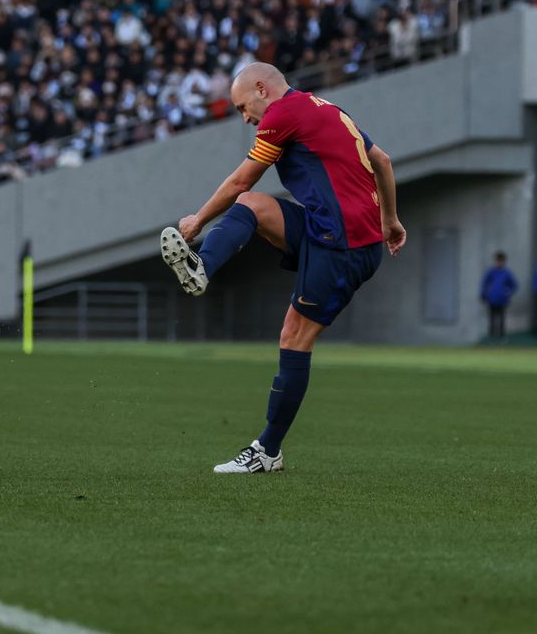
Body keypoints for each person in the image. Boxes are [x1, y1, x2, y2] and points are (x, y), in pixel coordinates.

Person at [160, 62, 406, 474]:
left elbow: (241, 178)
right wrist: (391, 220)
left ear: (262, 89)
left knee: (294, 336)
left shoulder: (282, 115)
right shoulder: (324, 107)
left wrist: (197, 220)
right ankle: (201, 265)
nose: (245, 117)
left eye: (243, 107)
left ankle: (267, 451)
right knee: (251, 205)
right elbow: (380, 159)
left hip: (344, 245)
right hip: (327, 229)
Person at [480, 252, 517, 340]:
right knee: (492, 318)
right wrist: (483, 294)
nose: (498, 262)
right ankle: (491, 337)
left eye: (500, 261)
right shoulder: (491, 272)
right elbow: (484, 284)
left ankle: (501, 337)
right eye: (497, 260)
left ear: (503, 261)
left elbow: (513, 285)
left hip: (502, 299)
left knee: (501, 318)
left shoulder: (506, 273)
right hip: (492, 299)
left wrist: (508, 292)